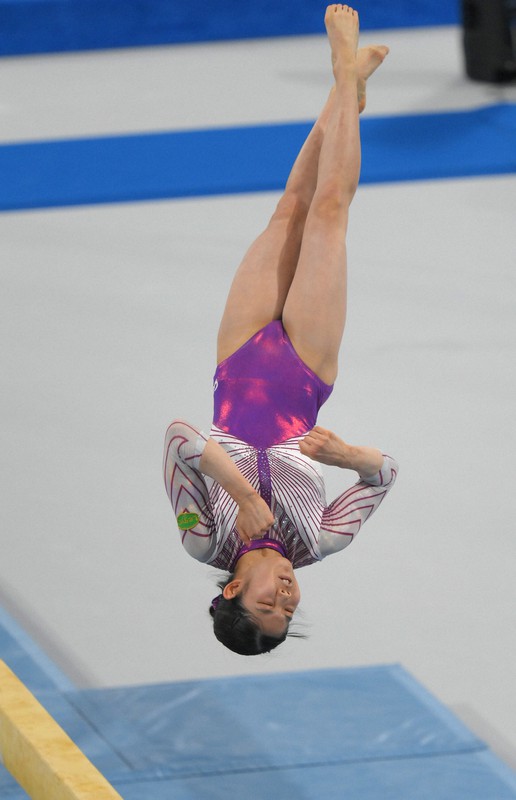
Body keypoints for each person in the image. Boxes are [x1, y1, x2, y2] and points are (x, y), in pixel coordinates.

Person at [163, 5, 397, 655]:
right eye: (290, 609)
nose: (287, 594)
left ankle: (346, 87)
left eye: (270, 601)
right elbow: (385, 475)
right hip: (303, 374)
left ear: (233, 591)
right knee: (328, 212)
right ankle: (342, 74)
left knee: (291, 202)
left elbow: (180, 439)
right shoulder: (320, 542)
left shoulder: (202, 536)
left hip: (236, 362)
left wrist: (239, 495)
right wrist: (352, 459)